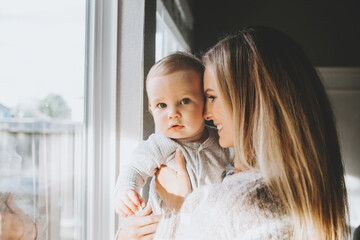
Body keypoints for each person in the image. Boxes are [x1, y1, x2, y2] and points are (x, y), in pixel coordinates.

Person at [152, 26, 349, 239]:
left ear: (251, 101)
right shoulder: (309, 189)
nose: (206, 114)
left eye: (212, 97)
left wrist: (179, 206)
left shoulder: (240, 203)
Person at [114, 52, 233, 219]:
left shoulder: (222, 140)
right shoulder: (159, 144)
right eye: (162, 105)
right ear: (151, 110)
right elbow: (134, 168)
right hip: (165, 228)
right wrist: (126, 190)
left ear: (204, 102)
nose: (173, 113)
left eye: (184, 101)